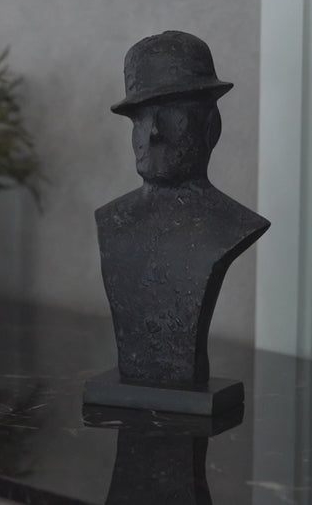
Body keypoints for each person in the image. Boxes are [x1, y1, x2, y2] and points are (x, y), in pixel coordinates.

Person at [95, 31, 270, 387]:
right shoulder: (111, 221)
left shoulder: (232, 226)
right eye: (140, 118)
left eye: (172, 113)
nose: (153, 132)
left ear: (211, 126)